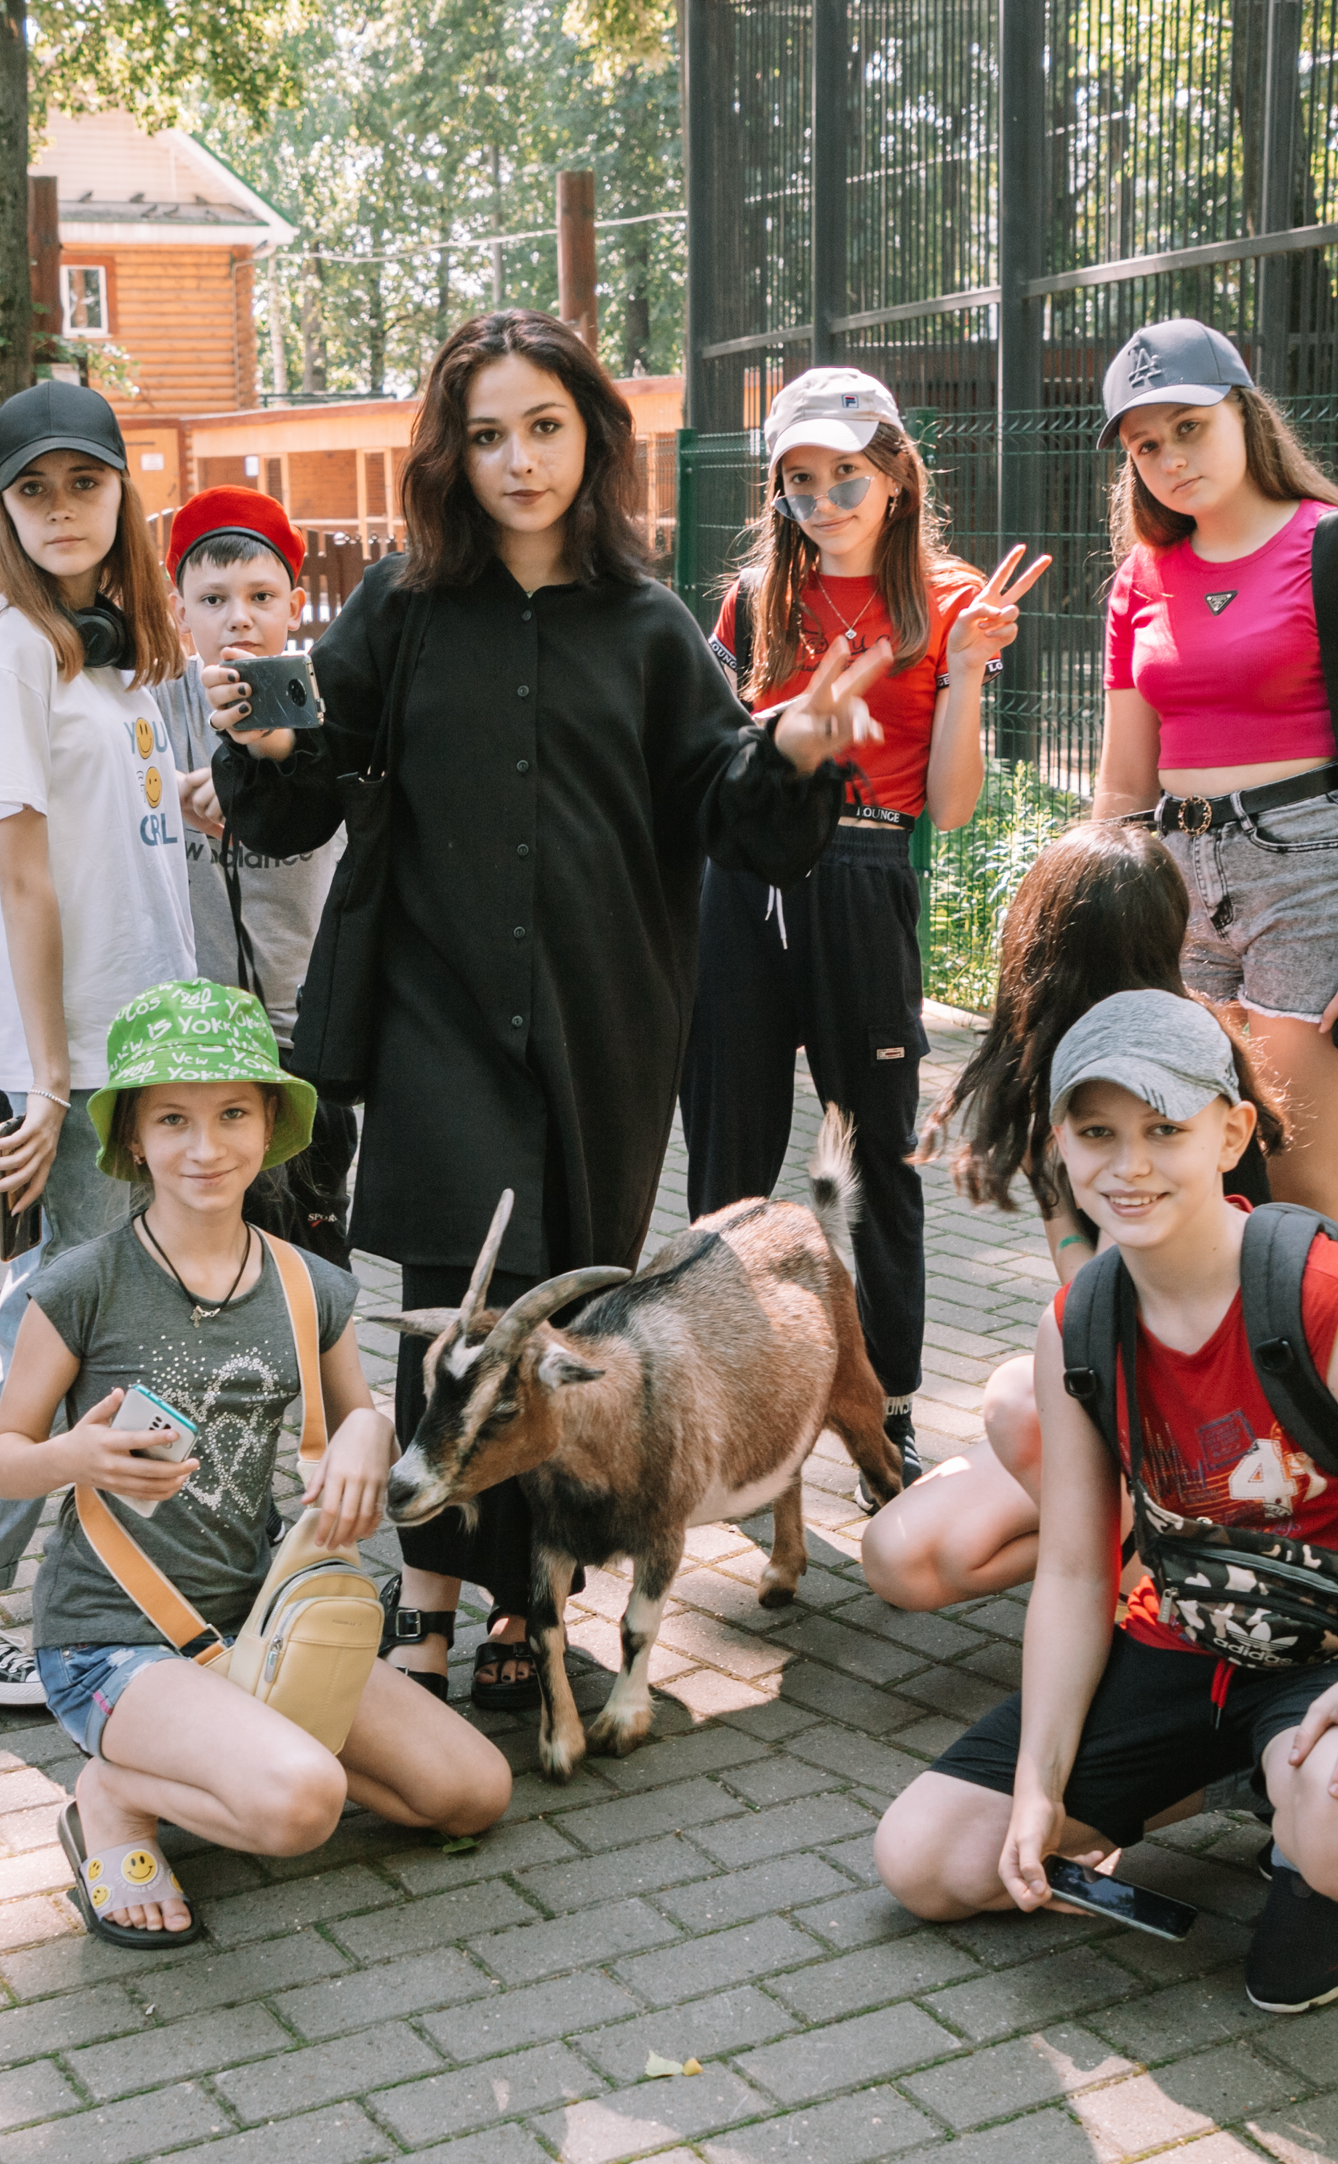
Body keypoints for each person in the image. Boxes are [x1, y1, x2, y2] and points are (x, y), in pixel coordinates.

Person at [212, 310, 891, 1709]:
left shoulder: (647, 628)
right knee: (457, 1307)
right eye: (486, 435)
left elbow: (732, 805)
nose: (518, 462)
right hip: (438, 1008)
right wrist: (274, 741)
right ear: (449, 457)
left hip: (605, 1018)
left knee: (564, 1317)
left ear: (592, 438)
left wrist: (800, 748)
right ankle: (429, 1600)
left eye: (544, 428)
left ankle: (536, 1602)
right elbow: (301, 783)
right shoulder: (400, 610)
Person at [871, 991, 1338, 2015]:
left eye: (1164, 1129)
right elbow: (1077, 1573)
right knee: (928, 1859)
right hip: (1188, 1645)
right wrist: (1039, 1780)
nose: (1129, 1165)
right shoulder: (1078, 1324)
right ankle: (1242, 1775)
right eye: (1097, 1132)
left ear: (1232, 1131)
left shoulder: (1332, 1302)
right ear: (1061, 1151)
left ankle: (1316, 1847)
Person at [0, 981, 511, 1943]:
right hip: (112, 1638)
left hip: (266, 1617)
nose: (204, 1146)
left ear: (270, 1127)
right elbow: (2, 1464)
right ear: (134, 1139)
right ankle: (110, 1795)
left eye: (232, 1114)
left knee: (473, 1793)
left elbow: (367, 1428)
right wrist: (75, 1453)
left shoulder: (313, 1285)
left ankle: (239, 1749)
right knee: (300, 1809)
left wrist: (362, 1434)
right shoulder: (84, 1286)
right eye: (172, 1119)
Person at [680, 367, 1045, 1487]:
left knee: (877, 1158)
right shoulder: (754, 603)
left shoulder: (946, 597)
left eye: (847, 471)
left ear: (893, 471)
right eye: (800, 480)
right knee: (727, 1162)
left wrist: (972, 671)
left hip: (864, 868)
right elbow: (719, 772)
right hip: (741, 887)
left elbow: (950, 805)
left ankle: (885, 1408)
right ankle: (725, 1402)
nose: (826, 498)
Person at [0, 381, 196, 1709]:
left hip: (147, 1043)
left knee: (129, 1323)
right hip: (75, 1061)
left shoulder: (117, 645)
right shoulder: (16, 649)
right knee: (55, 1336)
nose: (63, 511)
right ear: (3, 510)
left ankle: (123, 1571)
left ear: (124, 491)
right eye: (35, 490)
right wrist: (47, 1070)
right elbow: (21, 876)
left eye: (84, 484)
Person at [863, 821, 1286, 1613]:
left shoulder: (1188, 1057)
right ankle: (1133, 1552)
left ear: (1041, 944)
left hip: (1203, 1394)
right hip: (1116, 1377)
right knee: (900, 1560)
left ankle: (1151, 1608)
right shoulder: (1052, 1062)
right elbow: (1091, 1303)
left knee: (1018, 1400)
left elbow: (1113, 1307)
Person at [1091, 318, 1338, 1226]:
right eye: (1146, 444)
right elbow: (1124, 787)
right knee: (1187, 1183)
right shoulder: (1141, 578)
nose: (1169, 458)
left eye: (1190, 427)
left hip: (1312, 880)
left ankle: (1321, 1368)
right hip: (1173, 889)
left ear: (1245, 411)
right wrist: (1103, 936)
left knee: (1299, 1196)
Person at [151, 487, 358, 1263]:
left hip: (297, 1042)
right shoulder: (156, 709)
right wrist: (176, 790)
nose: (238, 617)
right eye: (213, 598)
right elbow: (99, 794)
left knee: (309, 1258)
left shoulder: (322, 704)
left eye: (260, 596)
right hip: (193, 1043)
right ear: (180, 612)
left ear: (294, 605)